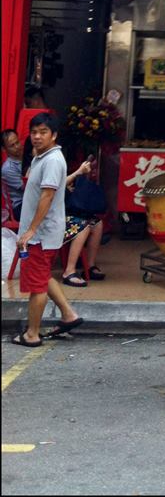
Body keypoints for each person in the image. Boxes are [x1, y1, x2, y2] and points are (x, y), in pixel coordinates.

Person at [13, 112, 83, 347]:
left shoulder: (52, 159)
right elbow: (56, 185)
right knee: (42, 276)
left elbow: (48, 195)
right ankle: (68, 314)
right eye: (34, 132)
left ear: (54, 135)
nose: (37, 136)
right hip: (42, 233)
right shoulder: (42, 157)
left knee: (37, 285)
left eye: (43, 132)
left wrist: (31, 230)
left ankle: (32, 334)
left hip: (41, 236)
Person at [61, 158, 107, 286]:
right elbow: (55, 186)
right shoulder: (40, 164)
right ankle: (69, 271)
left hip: (61, 211)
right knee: (83, 225)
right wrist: (78, 172)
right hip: (49, 217)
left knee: (97, 223)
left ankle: (90, 266)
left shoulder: (52, 159)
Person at [1, 129, 25, 220]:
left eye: (17, 142)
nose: (17, 147)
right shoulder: (7, 169)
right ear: (4, 149)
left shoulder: (27, 156)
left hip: (32, 199)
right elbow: (28, 188)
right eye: (12, 145)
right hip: (20, 206)